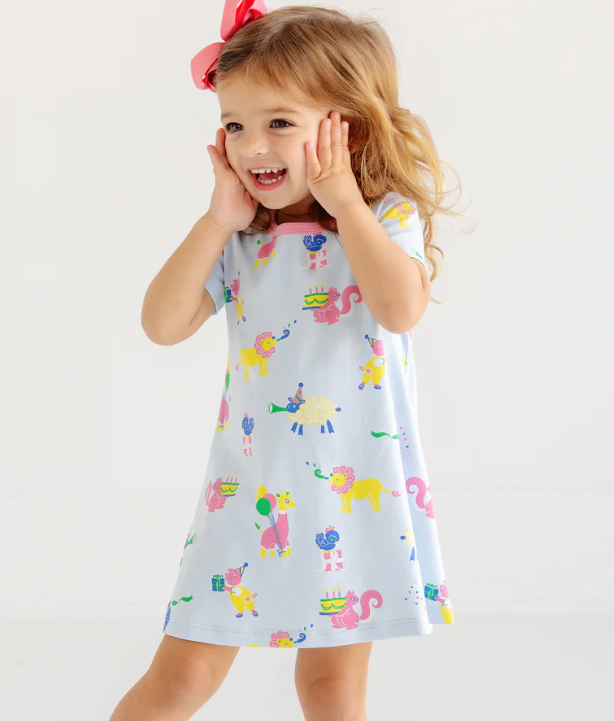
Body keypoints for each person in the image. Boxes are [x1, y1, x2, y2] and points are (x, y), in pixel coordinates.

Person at [110, 2, 466, 720]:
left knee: (330, 690)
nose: (252, 146)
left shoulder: (384, 219)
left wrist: (346, 204)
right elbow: (162, 323)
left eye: (279, 122)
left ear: (346, 127)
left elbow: (400, 309)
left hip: (351, 497)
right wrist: (218, 220)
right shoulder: (241, 241)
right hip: (246, 498)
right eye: (234, 125)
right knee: (181, 677)